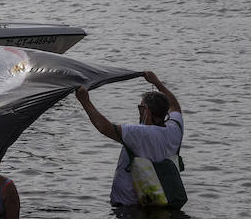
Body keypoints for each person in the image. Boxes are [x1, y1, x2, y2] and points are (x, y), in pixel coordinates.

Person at [74, 72, 184, 208]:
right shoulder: (175, 129)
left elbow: (104, 128)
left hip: (128, 207)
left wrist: (84, 101)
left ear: (146, 111)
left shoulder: (138, 134)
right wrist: (157, 83)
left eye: (140, 108)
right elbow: (175, 106)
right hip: (160, 201)